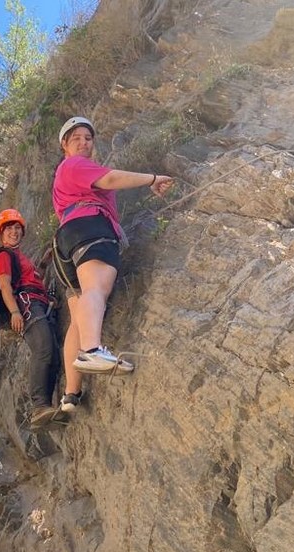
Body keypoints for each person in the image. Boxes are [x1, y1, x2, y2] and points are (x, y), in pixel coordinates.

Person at [52, 116, 174, 410]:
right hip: (90, 227)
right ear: (65, 145)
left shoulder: (62, 176)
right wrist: (153, 179)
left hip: (65, 242)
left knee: (78, 314)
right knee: (96, 289)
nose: (83, 142)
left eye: (88, 138)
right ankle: (92, 350)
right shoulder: (75, 165)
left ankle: (71, 393)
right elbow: (110, 179)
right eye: (76, 138)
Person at [0, 209, 62, 428]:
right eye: (9, 229)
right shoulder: (4, 255)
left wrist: (43, 262)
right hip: (26, 305)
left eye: (17, 228)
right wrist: (14, 311)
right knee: (43, 348)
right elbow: (5, 285)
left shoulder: (19, 256)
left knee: (53, 355)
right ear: (1, 234)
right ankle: (39, 406)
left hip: (37, 301)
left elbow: (34, 278)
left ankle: (46, 408)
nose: (14, 232)